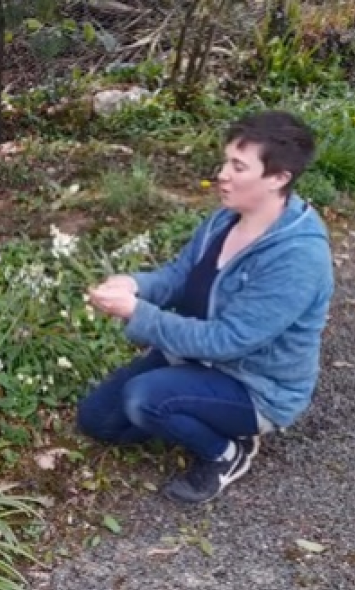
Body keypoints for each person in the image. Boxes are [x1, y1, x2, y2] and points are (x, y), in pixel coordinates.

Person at [76, 110, 335, 504]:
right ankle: (189, 404)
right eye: (225, 161)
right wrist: (135, 285)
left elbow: (227, 341)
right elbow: (180, 277)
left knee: (143, 398)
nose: (222, 175)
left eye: (238, 166)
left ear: (278, 178)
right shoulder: (224, 220)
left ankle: (227, 453)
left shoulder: (298, 257)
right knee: (97, 420)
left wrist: (138, 313)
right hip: (196, 359)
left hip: (256, 385)